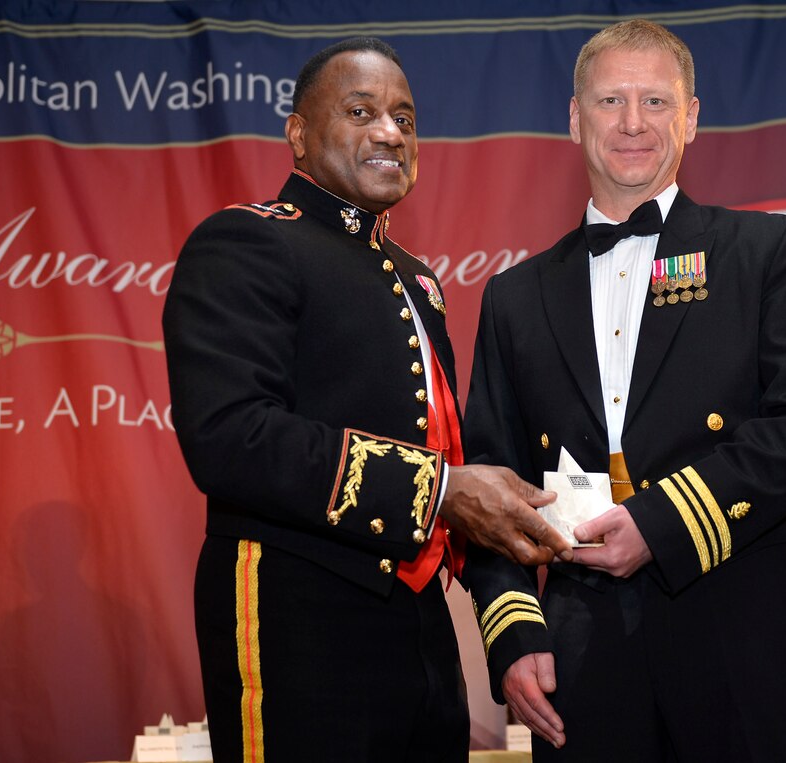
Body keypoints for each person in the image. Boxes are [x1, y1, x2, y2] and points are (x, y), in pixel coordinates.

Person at [162, 36, 571, 763]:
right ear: (298, 134)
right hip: (298, 628)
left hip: (423, 638)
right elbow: (229, 438)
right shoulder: (245, 241)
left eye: (405, 119)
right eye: (361, 112)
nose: (390, 132)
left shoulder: (417, 279)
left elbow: (450, 450)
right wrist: (440, 491)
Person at [462, 19, 786, 761]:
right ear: (575, 118)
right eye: (610, 101)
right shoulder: (515, 297)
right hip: (582, 660)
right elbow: (489, 482)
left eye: (655, 101)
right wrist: (512, 632)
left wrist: (661, 523)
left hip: (744, 637)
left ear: (692, 117)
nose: (633, 123)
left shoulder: (767, 252)